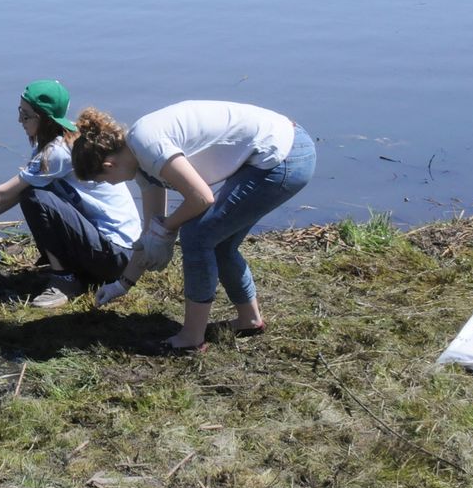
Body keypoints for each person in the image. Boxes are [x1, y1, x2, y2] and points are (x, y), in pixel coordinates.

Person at [70, 101, 316, 355]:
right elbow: (151, 232)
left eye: (102, 181)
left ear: (108, 166)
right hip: (276, 152)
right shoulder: (139, 163)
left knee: (198, 236)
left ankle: (191, 338)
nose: (109, 185)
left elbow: (201, 198)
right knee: (218, 242)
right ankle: (249, 321)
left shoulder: (148, 145)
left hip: (285, 156)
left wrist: (169, 229)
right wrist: (122, 284)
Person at [0, 80, 141, 308]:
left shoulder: (58, 151)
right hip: (112, 251)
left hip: (116, 255)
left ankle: (65, 280)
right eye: (20, 112)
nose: (20, 120)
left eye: (26, 115)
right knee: (31, 191)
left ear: (44, 118)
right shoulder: (59, 141)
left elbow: (5, 192)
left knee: (35, 197)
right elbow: (12, 194)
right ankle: (73, 271)